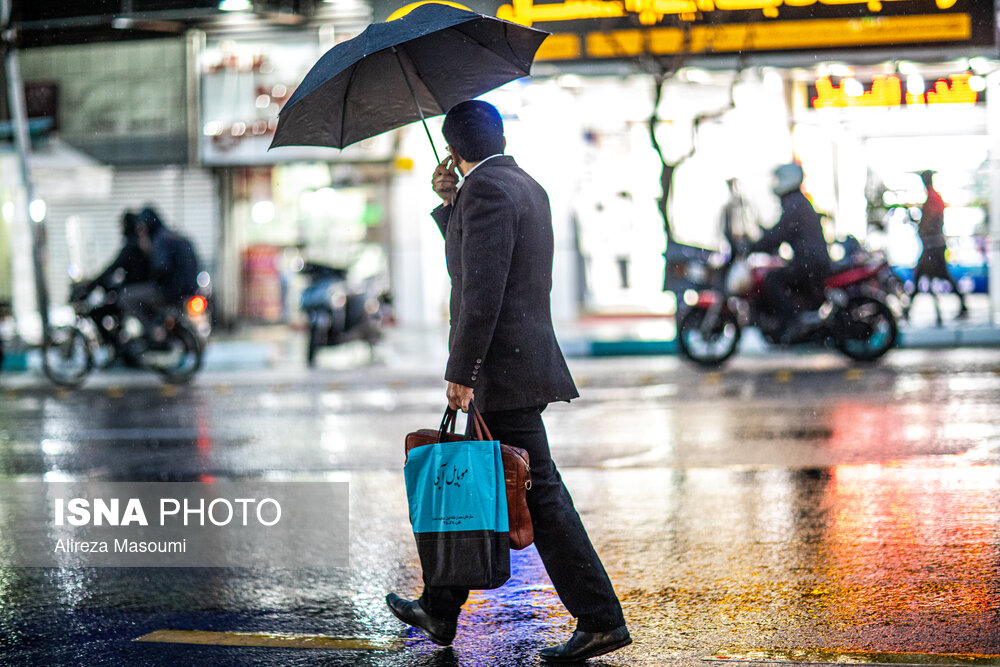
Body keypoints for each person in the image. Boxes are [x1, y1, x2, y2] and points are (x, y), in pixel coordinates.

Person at [385, 100, 631, 663]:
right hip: (519, 362)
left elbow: (481, 291)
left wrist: (461, 373)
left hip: (503, 369)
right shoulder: (522, 184)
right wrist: (451, 202)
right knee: (484, 483)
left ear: (453, 148)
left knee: (538, 494)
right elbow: (483, 261)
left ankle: (600, 619)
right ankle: (441, 609)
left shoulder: (488, 191)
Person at [749, 163, 831, 339]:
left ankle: (793, 321)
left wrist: (755, 246)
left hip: (810, 263)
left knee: (772, 280)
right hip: (810, 261)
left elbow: (779, 234)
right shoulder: (797, 202)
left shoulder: (795, 204)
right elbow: (780, 232)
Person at [117, 207, 200, 345]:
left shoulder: (159, 239)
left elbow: (161, 267)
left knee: (126, 298)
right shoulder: (174, 236)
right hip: (188, 289)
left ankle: (154, 330)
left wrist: (153, 277)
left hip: (170, 290)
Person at [906, 170, 967, 324]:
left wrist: (921, 225)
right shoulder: (933, 197)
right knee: (926, 275)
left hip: (933, 246)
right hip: (932, 245)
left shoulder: (933, 198)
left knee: (930, 275)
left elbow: (931, 221)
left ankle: (913, 311)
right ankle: (915, 311)